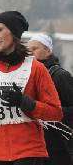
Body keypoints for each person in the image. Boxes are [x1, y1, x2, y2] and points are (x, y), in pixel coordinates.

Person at [0, 11, 63, 165]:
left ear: (14, 32)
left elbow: (56, 112)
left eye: (0, 30)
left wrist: (27, 103)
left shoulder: (36, 68)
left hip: (29, 152)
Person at [28, 34, 73, 165]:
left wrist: (47, 112)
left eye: (34, 49)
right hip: (33, 145)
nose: (30, 53)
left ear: (48, 50)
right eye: (28, 51)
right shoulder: (26, 77)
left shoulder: (60, 76)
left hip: (58, 146)